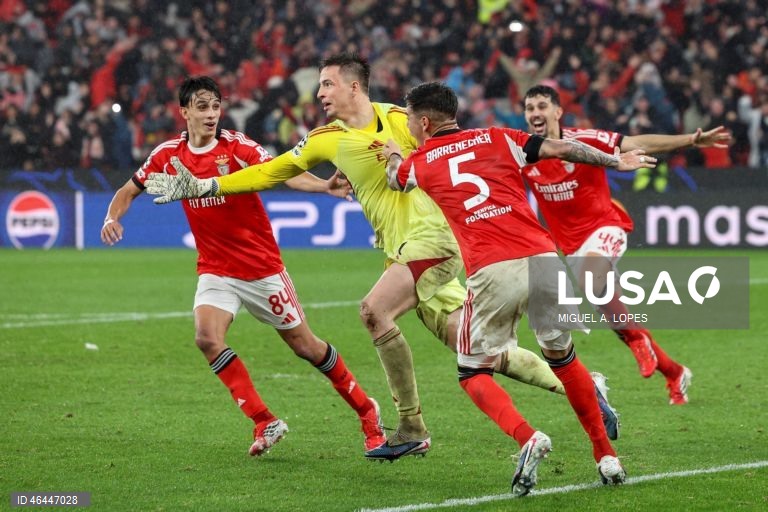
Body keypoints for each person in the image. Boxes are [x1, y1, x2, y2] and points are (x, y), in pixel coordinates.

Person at [143, 53, 619, 461]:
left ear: (354, 86)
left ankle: (411, 427)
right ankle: (583, 385)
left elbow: (455, 152)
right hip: (401, 251)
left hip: (436, 240)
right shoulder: (326, 138)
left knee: (374, 311)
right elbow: (271, 171)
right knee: (474, 350)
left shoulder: (402, 120)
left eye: (327, 84)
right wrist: (206, 186)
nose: (320, 92)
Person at [382, 82, 653, 494]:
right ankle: (606, 456)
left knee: (472, 372)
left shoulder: (419, 162)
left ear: (423, 121)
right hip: (544, 258)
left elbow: (394, 179)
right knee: (563, 358)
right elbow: (563, 148)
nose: (407, 127)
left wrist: (393, 153)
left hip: (493, 268)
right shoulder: (499, 137)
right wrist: (615, 161)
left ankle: (529, 437)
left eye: (408, 120)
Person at [100, 76, 385, 457]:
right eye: (202, 107)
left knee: (306, 347)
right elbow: (128, 190)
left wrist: (323, 186)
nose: (211, 114)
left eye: (216, 106)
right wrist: (111, 217)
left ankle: (366, 410)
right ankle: (264, 420)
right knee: (207, 338)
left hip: (261, 269)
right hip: (215, 269)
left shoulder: (238, 147)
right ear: (184, 112)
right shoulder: (168, 155)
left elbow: (282, 171)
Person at [521, 84, 729, 404]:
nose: (535, 113)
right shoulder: (523, 151)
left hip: (606, 226)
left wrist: (690, 140)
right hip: (571, 247)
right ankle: (674, 372)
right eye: (529, 108)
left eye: (541, 106)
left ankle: (637, 341)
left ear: (558, 112)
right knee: (615, 316)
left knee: (592, 284)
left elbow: (636, 142)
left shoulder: (584, 140)